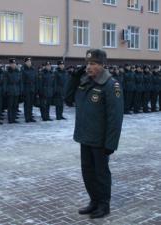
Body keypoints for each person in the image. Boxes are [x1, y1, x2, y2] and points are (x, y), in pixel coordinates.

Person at [65, 49, 124, 219]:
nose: (88, 67)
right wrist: (74, 78)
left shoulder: (111, 85)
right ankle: (94, 201)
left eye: (93, 63)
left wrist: (111, 143)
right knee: (88, 172)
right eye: (87, 63)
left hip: (100, 140)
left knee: (101, 174)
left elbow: (115, 117)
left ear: (102, 65)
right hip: (85, 136)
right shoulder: (85, 81)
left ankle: (103, 205)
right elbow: (68, 99)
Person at [5, 58, 22, 124]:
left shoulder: (18, 71)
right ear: (10, 64)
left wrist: (20, 90)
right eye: (12, 64)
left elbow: (20, 82)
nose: (13, 65)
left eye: (14, 63)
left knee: (15, 106)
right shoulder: (7, 72)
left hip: (16, 90)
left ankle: (14, 118)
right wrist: (6, 90)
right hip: (10, 90)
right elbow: (5, 82)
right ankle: (10, 119)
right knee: (10, 106)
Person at [22, 57, 37, 123]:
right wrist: (22, 90)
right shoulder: (23, 70)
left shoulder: (33, 69)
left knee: (31, 104)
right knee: (27, 104)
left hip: (32, 88)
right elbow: (22, 81)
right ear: (25, 63)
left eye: (30, 61)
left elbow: (35, 80)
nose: (29, 63)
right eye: (28, 62)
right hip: (26, 88)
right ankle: (27, 118)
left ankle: (30, 117)